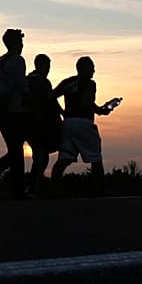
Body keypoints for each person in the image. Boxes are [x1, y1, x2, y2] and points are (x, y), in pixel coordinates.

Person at [50, 56, 119, 186]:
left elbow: (51, 97)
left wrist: (62, 112)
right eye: (92, 67)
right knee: (96, 158)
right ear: (84, 69)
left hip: (68, 123)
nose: (94, 71)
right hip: (83, 123)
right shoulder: (89, 83)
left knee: (64, 158)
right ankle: (100, 189)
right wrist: (101, 110)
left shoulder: (67, 82)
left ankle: (53, 188)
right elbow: (86, 102)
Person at [0, 28, 30, 199]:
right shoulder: (18, 61)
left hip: (0, 111)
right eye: (21, 41)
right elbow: (20, 86)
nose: (22, 44)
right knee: (16, 151)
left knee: (15, 150)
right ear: (16, 43)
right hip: (14, 110)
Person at [26, 54, 64, 196]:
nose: (49, 69)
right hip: (41, 125)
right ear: (44, 66)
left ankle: (34, 186)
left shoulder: (28, 80)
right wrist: (62, 114)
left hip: (29, 124)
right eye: (48, 66)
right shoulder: (43, 82)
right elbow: (52, 100)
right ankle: (34, 188)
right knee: (41, 155)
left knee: (40, 155)